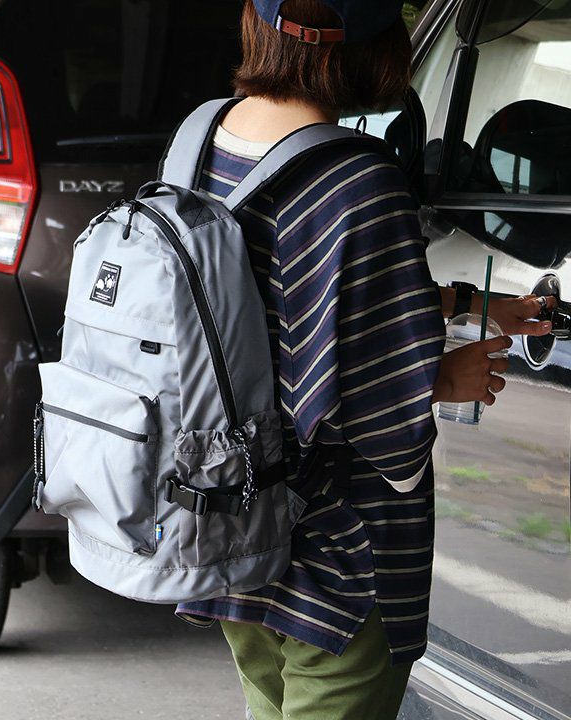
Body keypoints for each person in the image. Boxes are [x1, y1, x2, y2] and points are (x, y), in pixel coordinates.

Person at [174, 2, 555, 719]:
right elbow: (383, 421)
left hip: (233, 520)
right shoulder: (358, 177)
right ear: (373, 46)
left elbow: (281, 290)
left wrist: (466, 303)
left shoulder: (201, 139)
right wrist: (442, 378)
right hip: (336, 559)